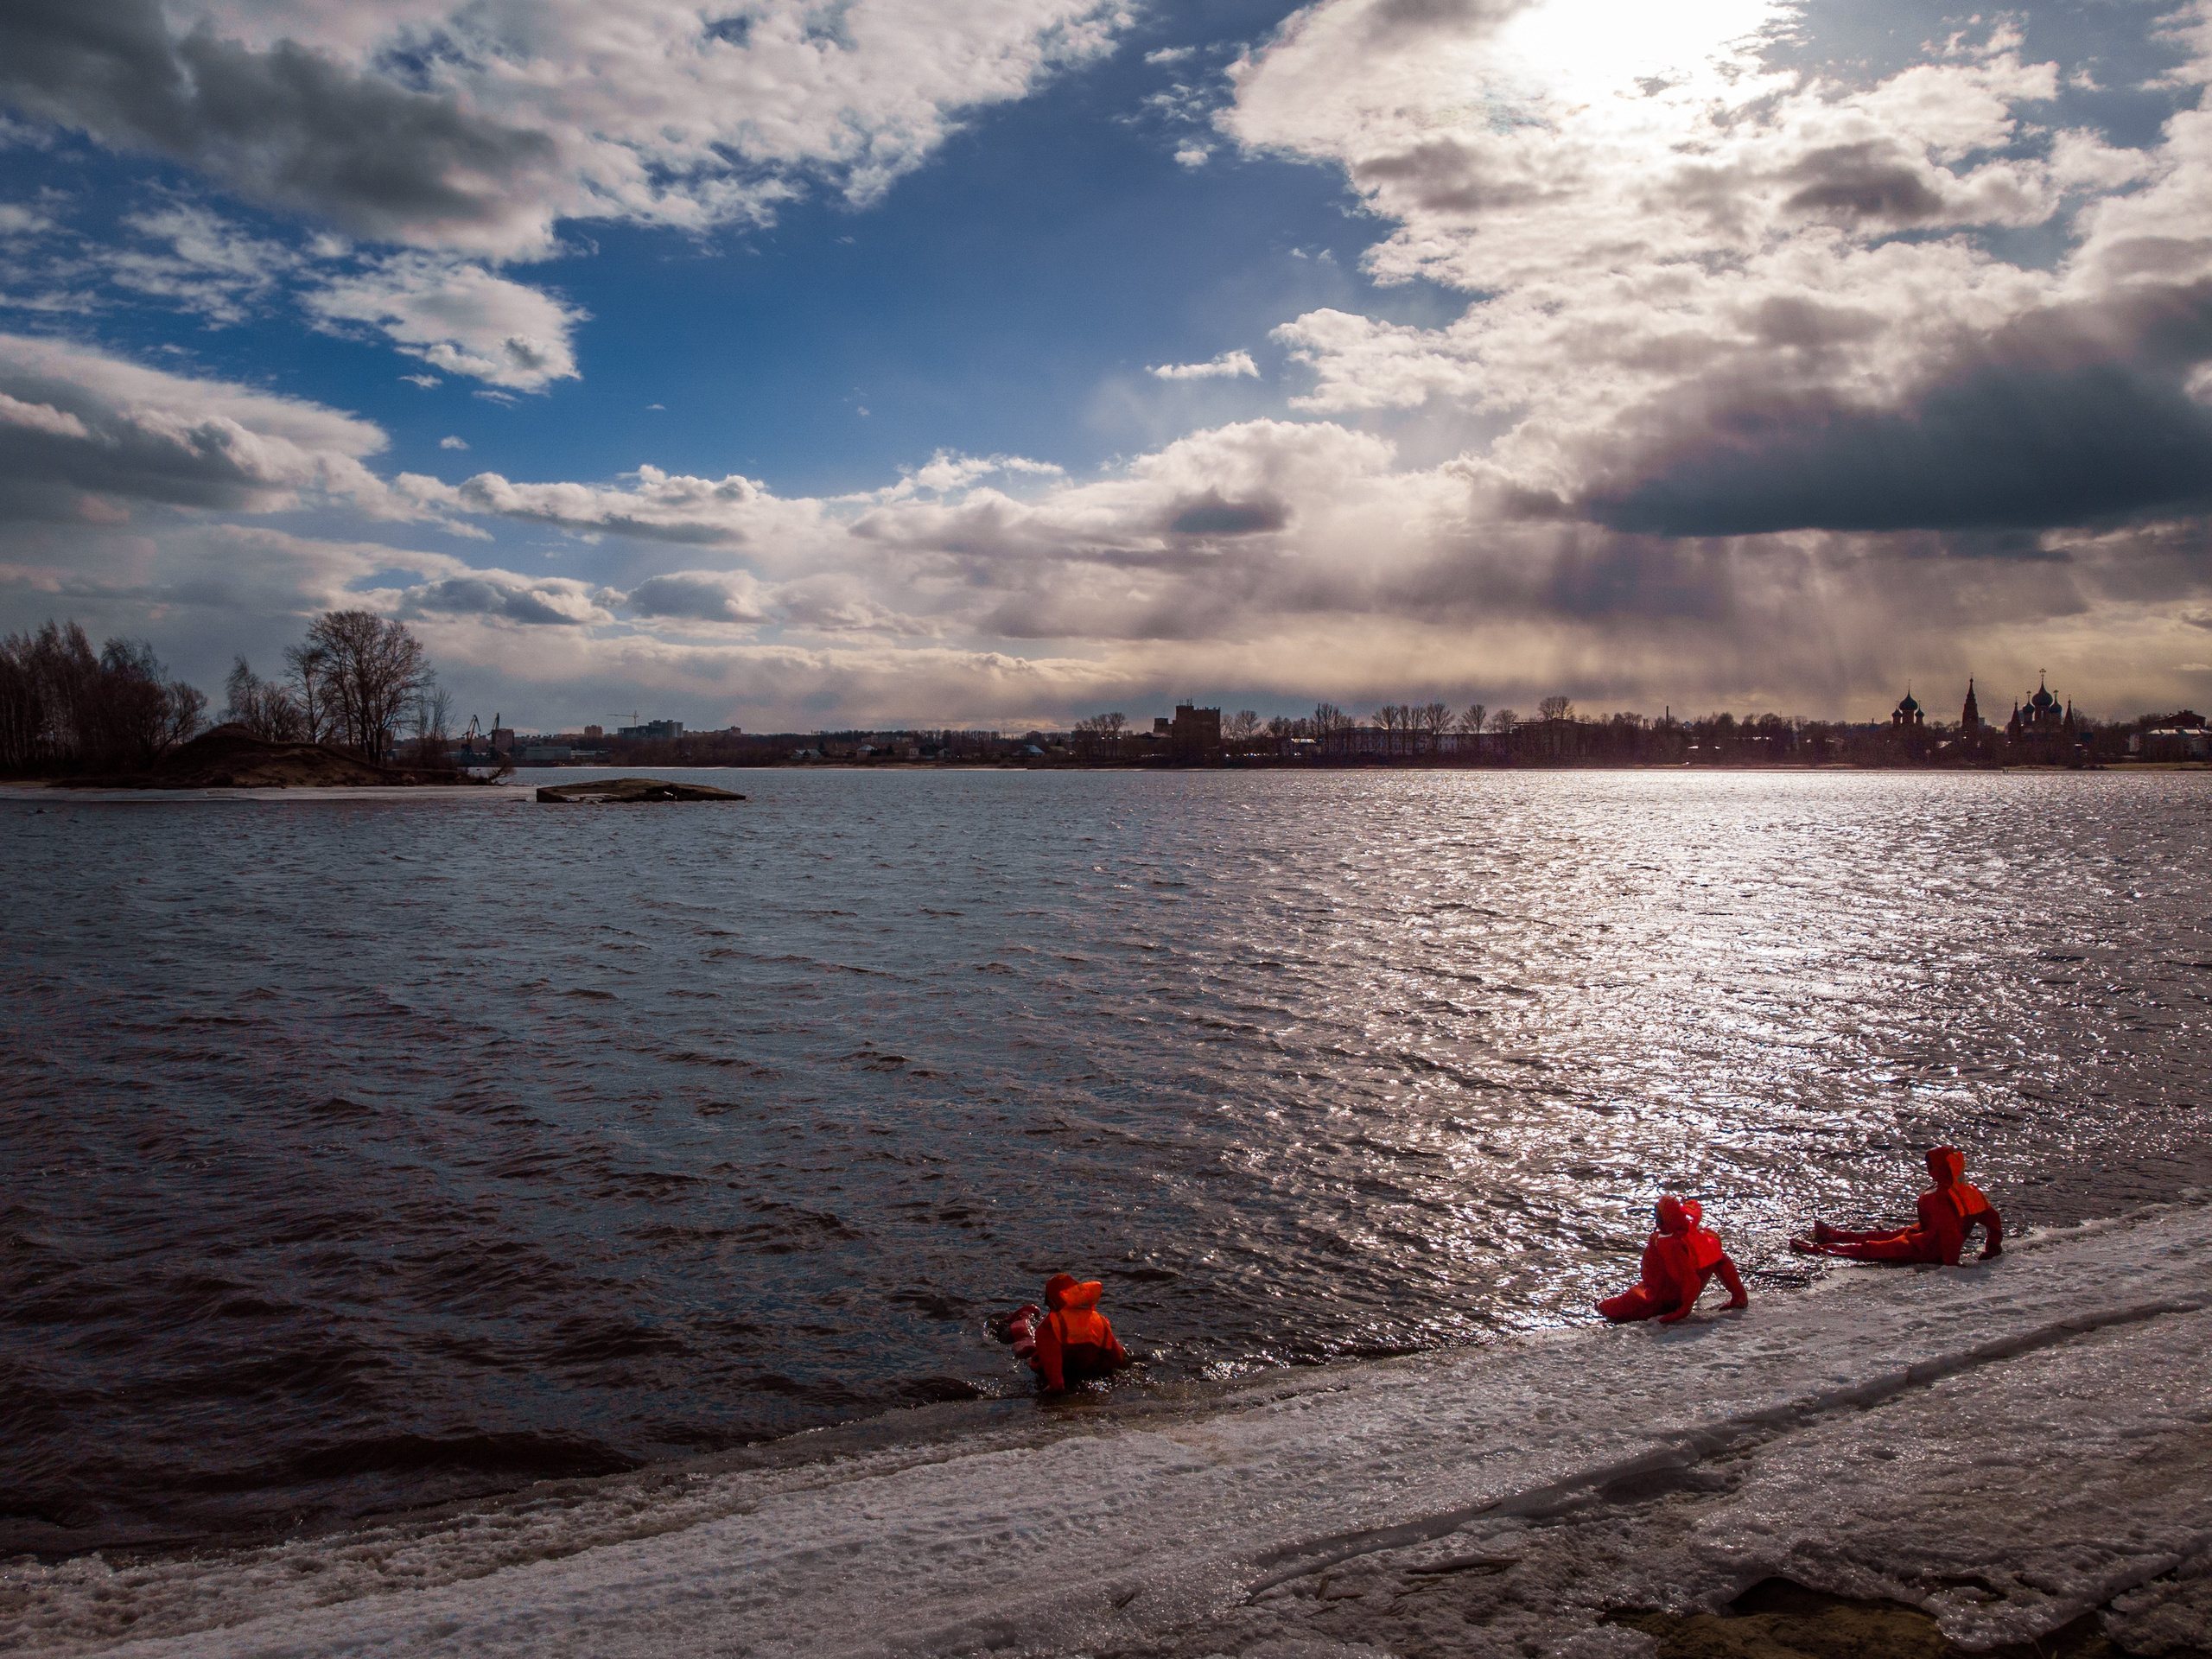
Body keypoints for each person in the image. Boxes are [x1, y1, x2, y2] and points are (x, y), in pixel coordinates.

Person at [1789, 1146, 2002, 1265]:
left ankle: (1819, 1250)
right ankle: (1837, 1236)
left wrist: (1950, 1264)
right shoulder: (1970, 1192)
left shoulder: (1941, 1198)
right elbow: (1993, 1222)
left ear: (1939, 1169)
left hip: (1924, 1248)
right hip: (1922, 1234)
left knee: (1873, 1248)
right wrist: (1992, 1249)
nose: (1927, 1169)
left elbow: (1950, 1235)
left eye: (1930, 1166)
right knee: (1883, 1235)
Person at [1598, 1195, 1749, 1324]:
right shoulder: (1702, 1236)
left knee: (1605, 1308)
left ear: (1663, 1218)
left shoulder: (1668, 1244)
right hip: (1675, 1296)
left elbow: (1690, 1280)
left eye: (1657, 1214)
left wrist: (1683, 1310)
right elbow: (1721, 1261)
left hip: (1657, 1300)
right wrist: (1738, 1294)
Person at [1030, 1273, 1129, 1393]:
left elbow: (1056, 1385)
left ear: (1052, 1302)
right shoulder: (1100, 1321)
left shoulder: (1049, 1327)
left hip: (1069, 1384)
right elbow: (1119, 1361)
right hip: (1094, 1382)